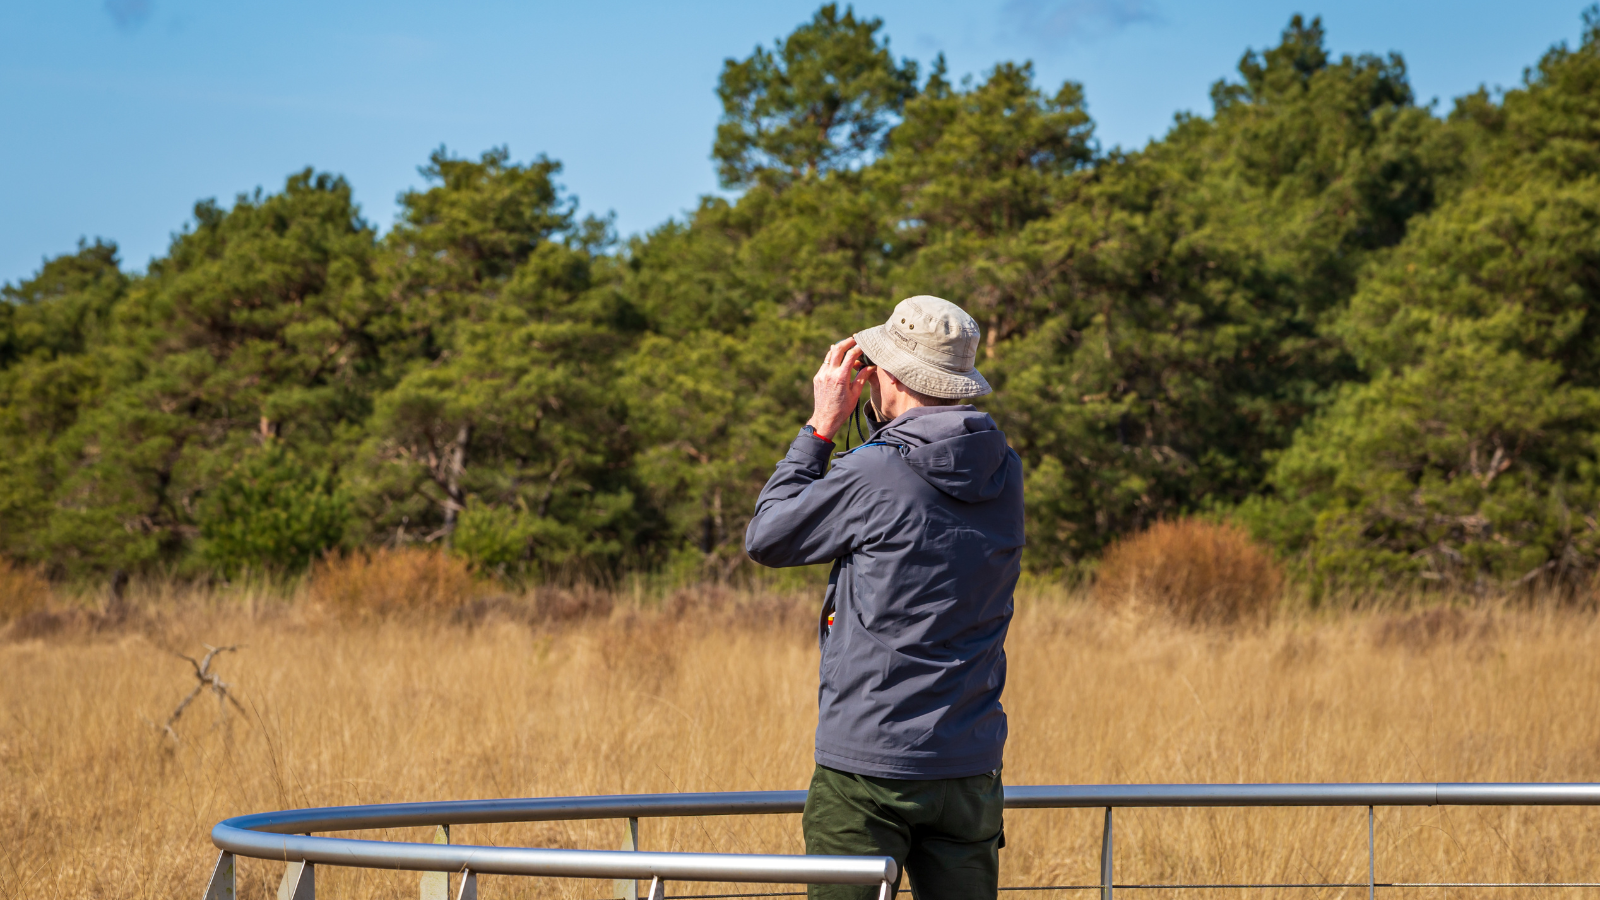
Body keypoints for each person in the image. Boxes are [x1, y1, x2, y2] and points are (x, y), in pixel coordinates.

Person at [745, 295, 1025, 900]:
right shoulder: (1006, 470)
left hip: (871, 763)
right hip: (970, 764)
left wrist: (822, 426)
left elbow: (767, 537)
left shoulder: (875, 472)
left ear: (889, 375)